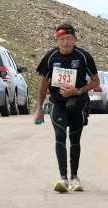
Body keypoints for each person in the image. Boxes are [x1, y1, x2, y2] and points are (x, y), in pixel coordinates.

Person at [33, 23, 100, 193]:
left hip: (79, 102)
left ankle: (74, 177)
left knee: (75, 139)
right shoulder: (50, 57)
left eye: (69, 39)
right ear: (56, 40)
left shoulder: (84, 57)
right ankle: (63, 177)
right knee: (60, 135)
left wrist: (77, 90)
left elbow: (95, 81)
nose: (65, 42)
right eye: (62, 39)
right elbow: (43, 84)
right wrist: (39, 108)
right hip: (58, 102)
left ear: (75, 39)